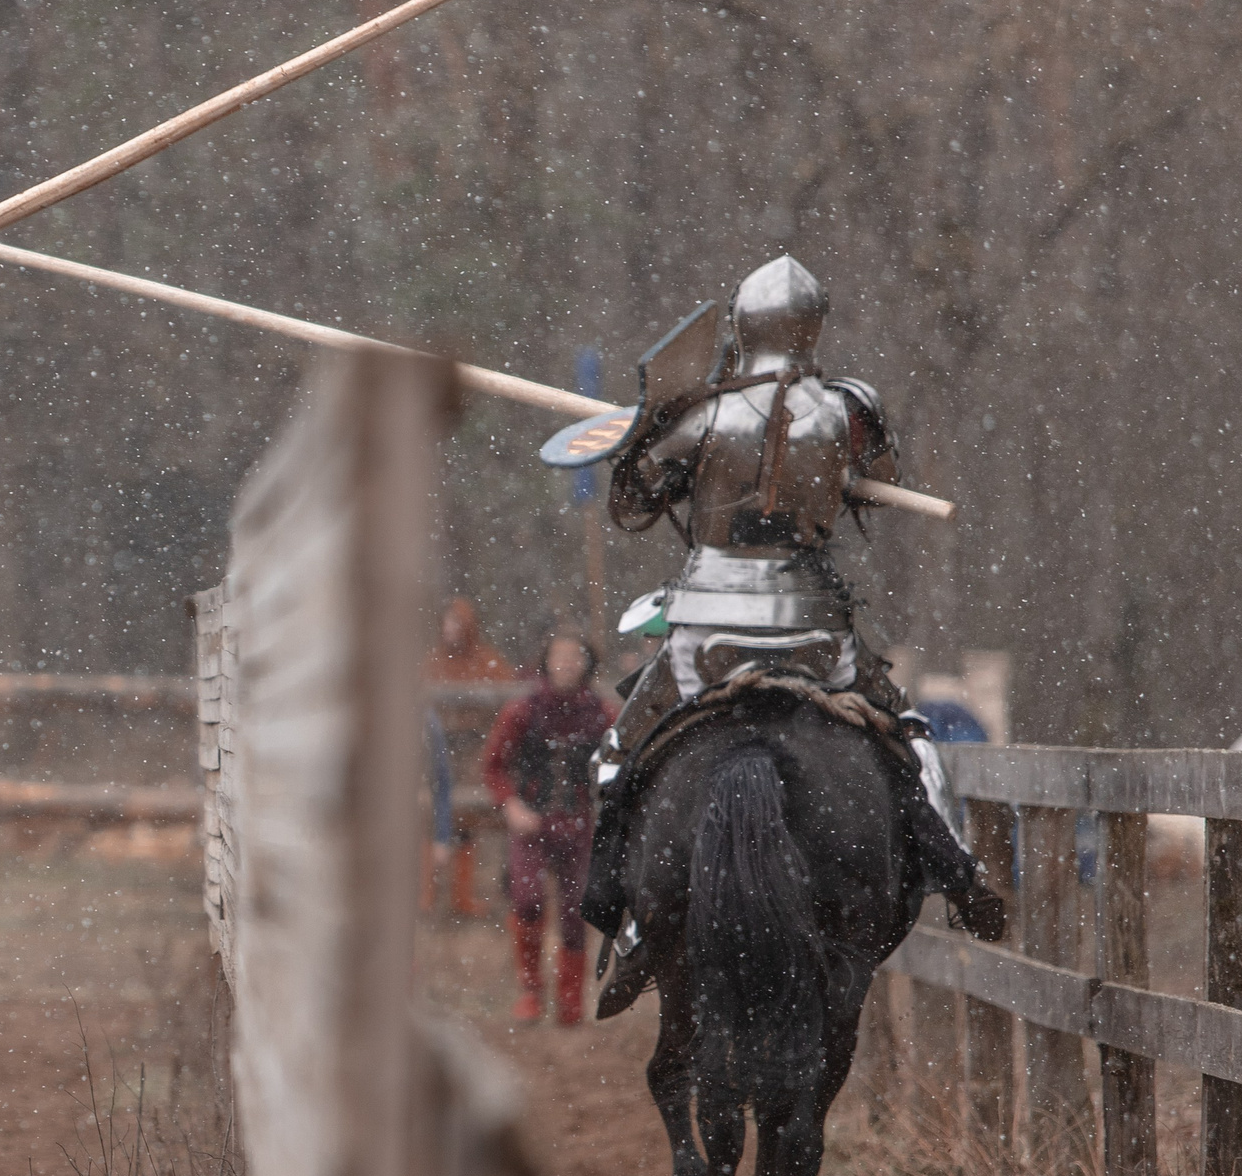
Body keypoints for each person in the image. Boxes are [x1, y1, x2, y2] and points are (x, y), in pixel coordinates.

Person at [584, 256, 1005, 1019]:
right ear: (813, 325)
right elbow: (880, 481)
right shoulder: (848, 409)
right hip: (814, 625)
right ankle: (961, 875)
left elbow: (633, 502)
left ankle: (630, 920)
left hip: (708, 625)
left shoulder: (703, 413)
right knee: (907, 741)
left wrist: (646, 430)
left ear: (743, 325)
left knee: (618, 754)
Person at [482, 633, 613, 1024]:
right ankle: (530, 993)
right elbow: (493, 764)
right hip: (531, 824)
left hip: (579, 825)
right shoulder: (523, 710)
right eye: (559, 656)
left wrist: (604, 805)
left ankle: (570, 1001)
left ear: (587, 663)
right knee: (527, 899)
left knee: (576, 913)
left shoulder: (601, 714)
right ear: (546, 662)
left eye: (575, 656)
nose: (566, 663)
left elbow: (620, 766)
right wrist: (511, 805)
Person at [423, 598, 518, 916]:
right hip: (435, 745)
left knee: (467, 817)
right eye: (447, 622)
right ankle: (427, 894)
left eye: (457, 623)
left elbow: (507, 697)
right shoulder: (432, 660)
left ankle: (462, 897)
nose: (451, 629)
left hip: (473, 747)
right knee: (430, 814)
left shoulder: (486, 660)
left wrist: (478, 718)